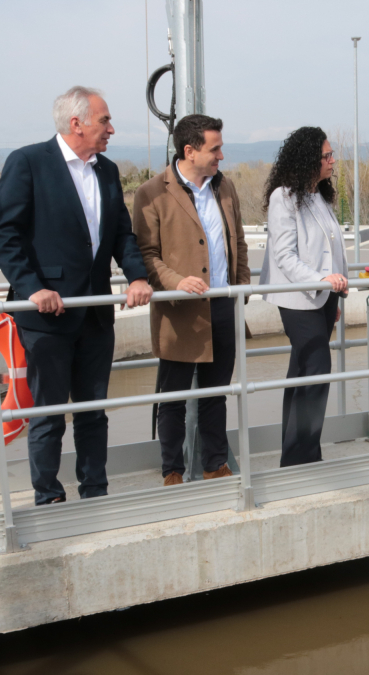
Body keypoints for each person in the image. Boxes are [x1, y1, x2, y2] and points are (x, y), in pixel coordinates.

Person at [0, 86, 152, 505]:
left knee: (93, 412)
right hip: (48, 316)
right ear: (76, 123)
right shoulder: (28, 162)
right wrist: (32, 288)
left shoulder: (107, 170)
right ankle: (48, 497)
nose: (111, 129)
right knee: (48, 415)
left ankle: (95, 491)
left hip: (95, 312)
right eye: (105, 120)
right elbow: (5, 236)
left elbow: (122, 235)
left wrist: (137, 276)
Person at [132, 114, 250, 486]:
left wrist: (241, 287)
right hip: (179, 311)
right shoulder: (152, 192)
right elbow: (146, 254)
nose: (221, 156)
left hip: (222, 305)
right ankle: (172, 472)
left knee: (217, 394)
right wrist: (176, 282)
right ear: (189, 151)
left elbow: (239, 241)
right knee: (173, 398)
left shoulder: (224, 187)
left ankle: (215, 465)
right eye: (215, 149)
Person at [258, 127, 347, 467]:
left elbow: (331, 250)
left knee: (301, 374)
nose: (332, 160)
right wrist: (322, 281)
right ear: (309, 158)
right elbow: (284, 256)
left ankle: (297, 457)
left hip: (324, 298)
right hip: (298, 299)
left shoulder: (318, 196)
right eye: (327, 155)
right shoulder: (284, 197)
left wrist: (336, 294)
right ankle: (302, 457)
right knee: (318, 368)